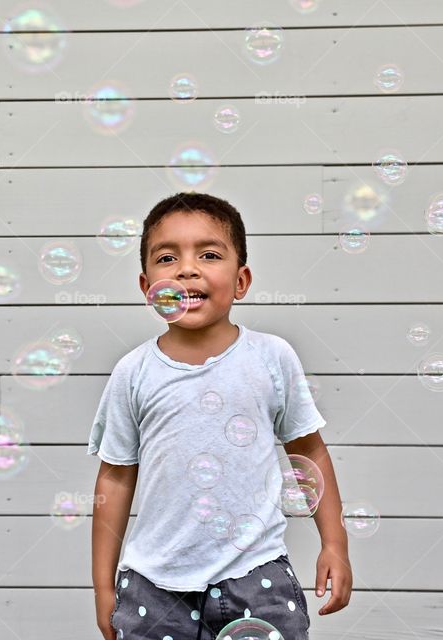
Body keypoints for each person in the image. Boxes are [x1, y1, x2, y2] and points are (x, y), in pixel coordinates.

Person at [88, 192, 352, 640]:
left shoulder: (271, 357)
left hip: (257, 572)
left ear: (242, 280)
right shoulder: (133, 372)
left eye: (209, 254)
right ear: (145, 285)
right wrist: (102, 587)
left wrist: (335, 544)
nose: (186, 268)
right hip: (152, 582)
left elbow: (308, 450)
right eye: (167, 257)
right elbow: (114, 478)